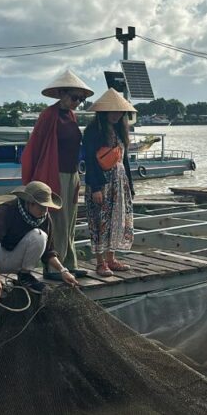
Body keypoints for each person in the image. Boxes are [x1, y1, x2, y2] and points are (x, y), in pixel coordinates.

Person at [21, 69, 92, 280]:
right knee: (56, 221)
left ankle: (69, 263)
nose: (77, 102)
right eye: (73, 97)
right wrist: (33, 181)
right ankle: (53, 267)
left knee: (70, 221)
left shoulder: (71, 115)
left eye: (80, 99)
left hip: (71, 174)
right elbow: (35, 148)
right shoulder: (48, 115)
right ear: (62, 94)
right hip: (54, 173)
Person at [0, 181, 79, 300]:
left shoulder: (45, 219)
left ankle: (25, 276)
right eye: (41, 207)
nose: (45, 211)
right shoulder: (7, 210)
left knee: (40, 235)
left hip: (16, 261)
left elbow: (48, 252)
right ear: (29, 203)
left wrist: (63, 270)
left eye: (47, 207)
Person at [82, 88, 136, 276]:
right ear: (103, 111)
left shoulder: (121, 130)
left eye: (119, 111)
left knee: (116, 219)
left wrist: (131, 185)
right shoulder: (93, 131)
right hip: (102, 182)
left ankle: (111, 259)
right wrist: (95, 187)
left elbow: (125, 159)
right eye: (112, 111)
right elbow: (90, 160)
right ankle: (100, 262)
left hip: (119, 183)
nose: (116, 115)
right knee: (100, 221)